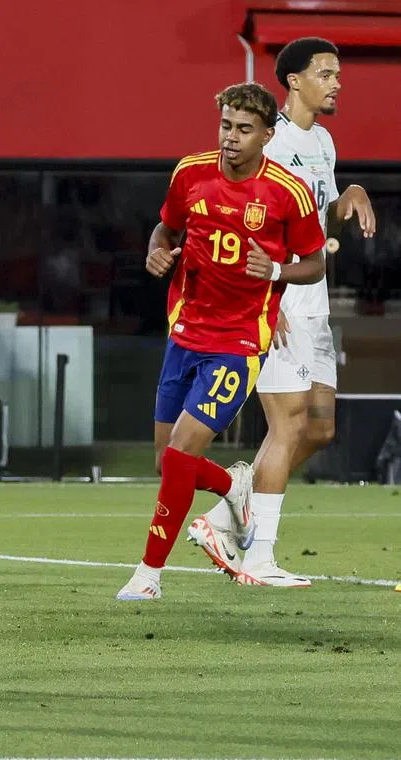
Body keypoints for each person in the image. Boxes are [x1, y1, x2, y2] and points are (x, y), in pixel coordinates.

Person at [118, 82, 327, 601]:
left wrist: (275, 269)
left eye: (244, 129)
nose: (231, 137)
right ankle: (235, 486)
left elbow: (315, 264)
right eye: (226, 126)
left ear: (267, 135)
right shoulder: (190, 173)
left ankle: (148, 576)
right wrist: (156, 251)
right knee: (167, 461)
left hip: (239, 342)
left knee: (181, 452)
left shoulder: (288, 191)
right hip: (185, 331)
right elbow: (166, 230)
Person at [188, 38, 376, 587]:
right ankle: (258, 558)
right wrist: (262, 300)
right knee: (288, 424)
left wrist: (350, 195)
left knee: (319, 428)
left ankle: (227, 512)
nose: (337, 83)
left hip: (312, 300)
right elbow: (235, 219)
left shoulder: (322, 141)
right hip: (276, 298)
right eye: (326, 73)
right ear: (295, 81)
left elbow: (319, 221)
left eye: (337, 73)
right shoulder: (270, 143)